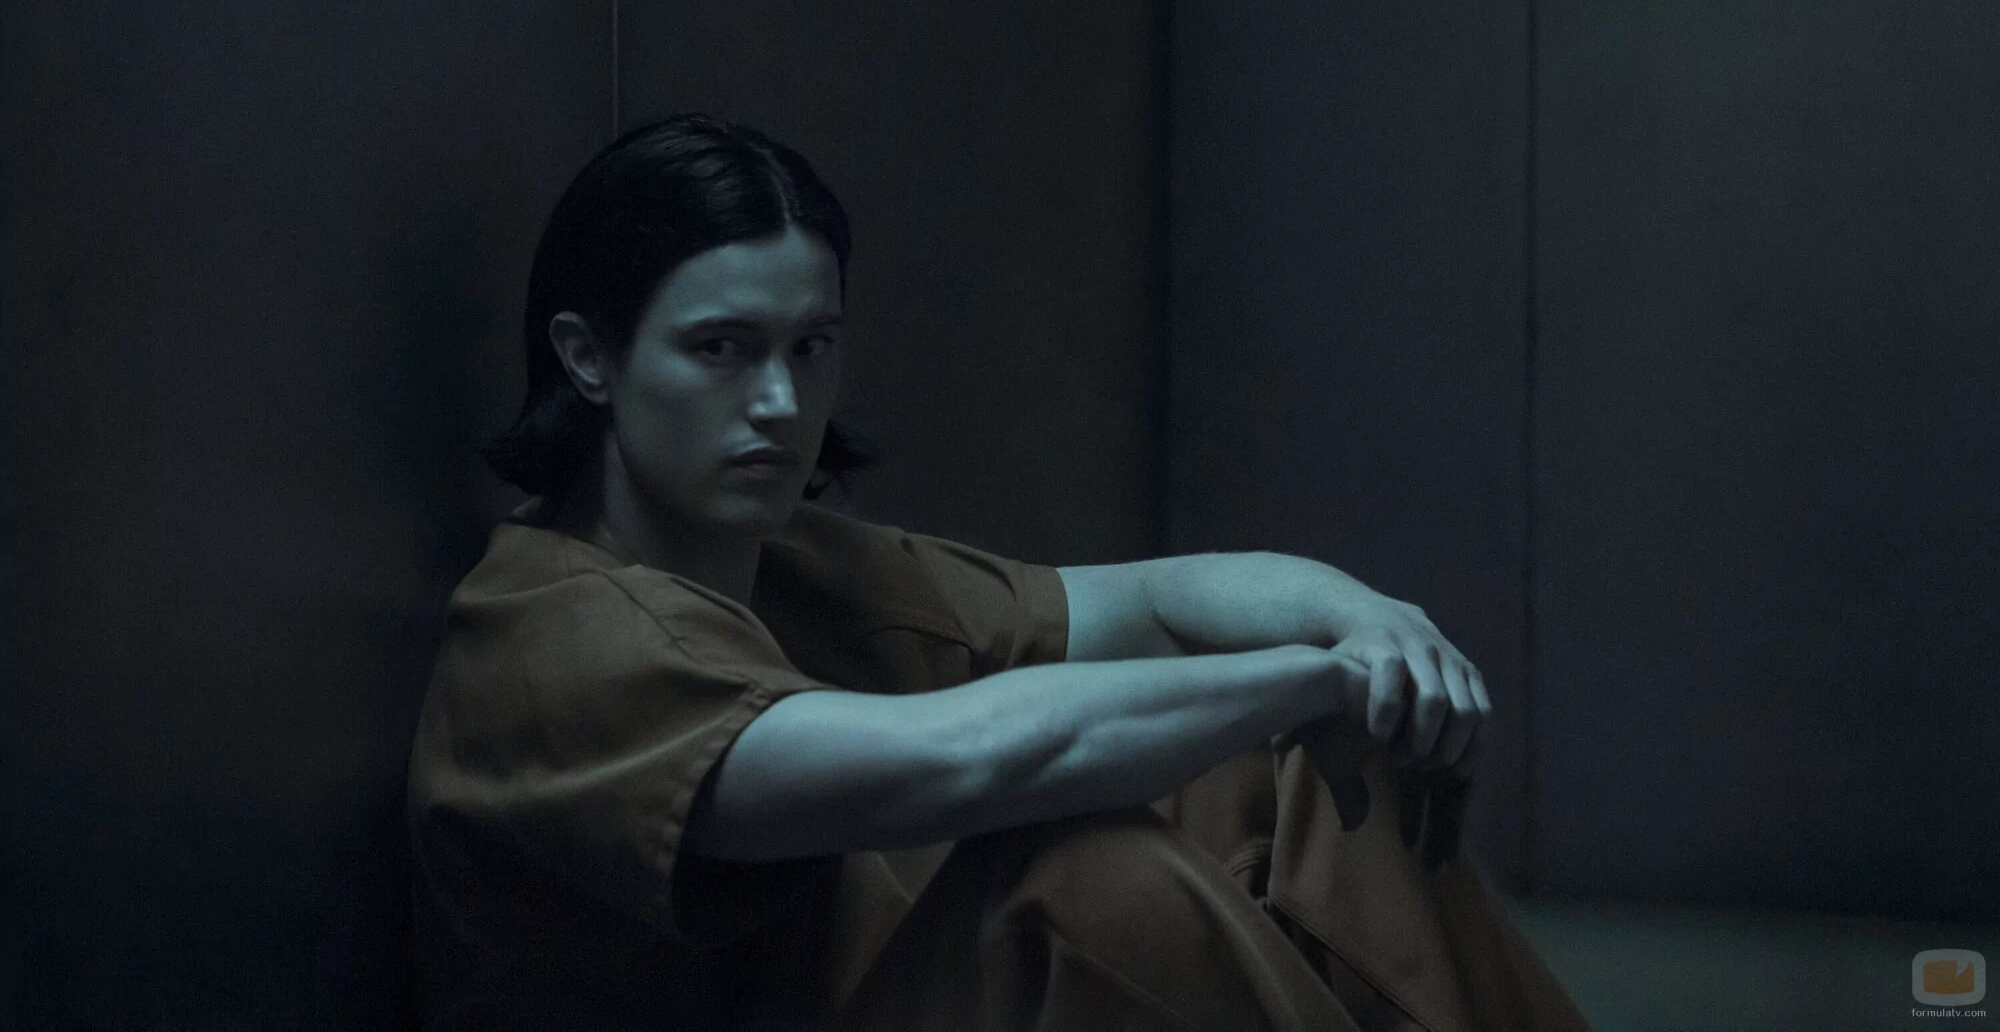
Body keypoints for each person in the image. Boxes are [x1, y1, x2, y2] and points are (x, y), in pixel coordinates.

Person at [405, 114, 1592, 1031]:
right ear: (590, 359)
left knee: (1297, 780)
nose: (777, 401)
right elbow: (961, 760)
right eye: (720, 348)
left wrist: (1366, 626)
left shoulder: (788, 561)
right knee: (1080, 884)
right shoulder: (547, 641)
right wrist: (1308, 679)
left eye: (809, 348)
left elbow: (1145, 600)